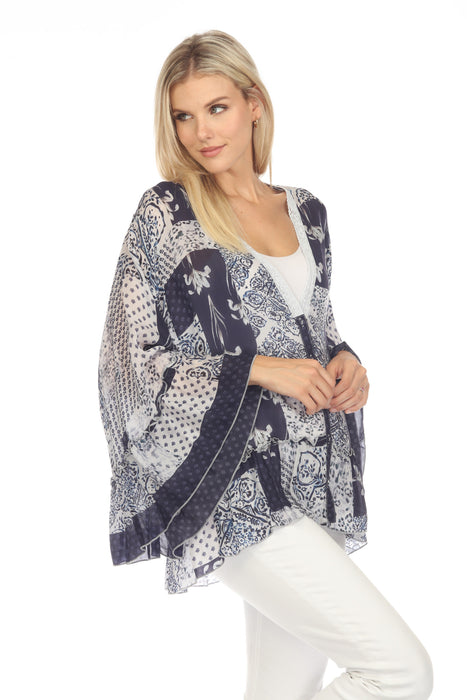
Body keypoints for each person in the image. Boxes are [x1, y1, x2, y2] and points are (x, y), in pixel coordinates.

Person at [98, 29, 433, 700]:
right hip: (232, 484)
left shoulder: (306, 211)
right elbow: (125, 367)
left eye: (217, 108)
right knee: (399, 673)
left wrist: (347, 361)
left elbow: (315, 327)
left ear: (253, 104)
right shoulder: (167, 213)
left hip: (312, 475)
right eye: (183, 116)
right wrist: (258, 369)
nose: (201, 132)